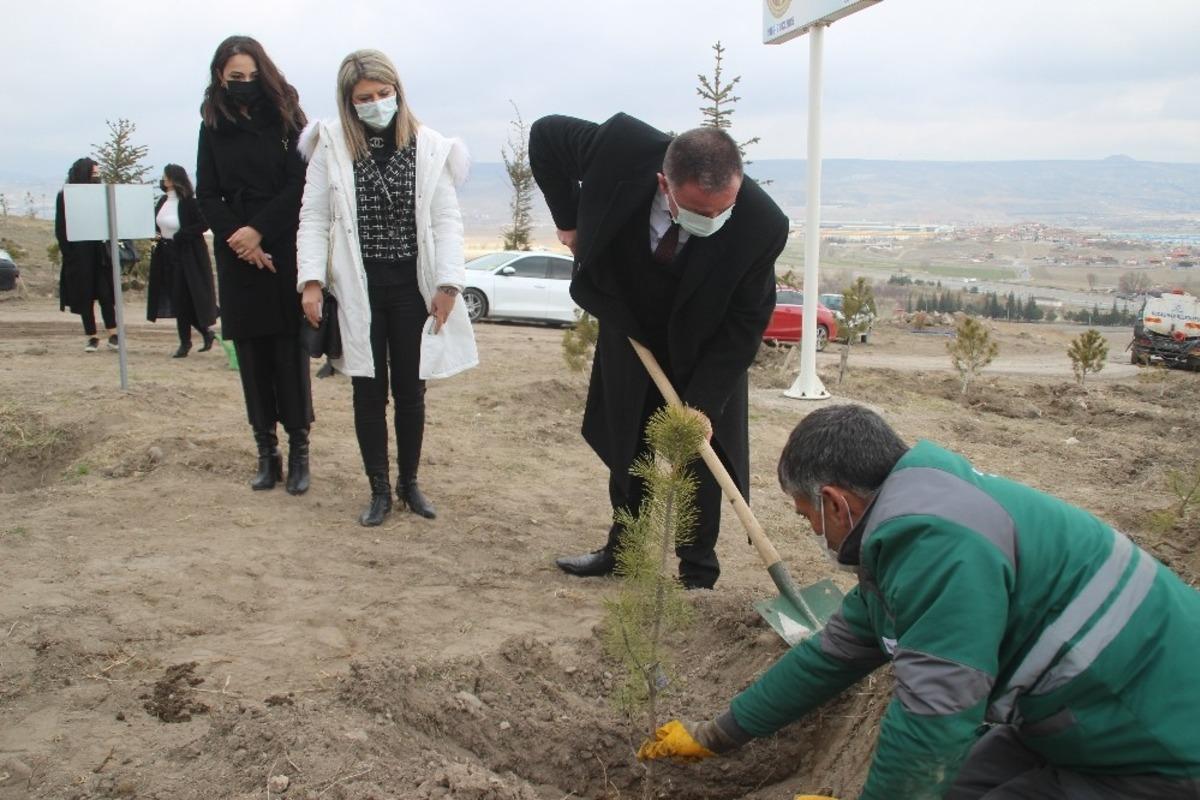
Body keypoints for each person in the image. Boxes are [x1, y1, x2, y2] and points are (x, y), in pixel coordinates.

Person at [638, 404, 1200, 799]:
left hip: (1156, 745)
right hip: (1083, 713)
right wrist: (718, 735)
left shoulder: (940, 547)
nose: (809, 527)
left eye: (803, 514)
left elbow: (935, 716)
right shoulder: (916, 522)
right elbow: (830, 656)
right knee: (955, 787)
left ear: (835, 503)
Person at [528, 114, 787, 589]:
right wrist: (569, 221)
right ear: (664, 183)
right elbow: (545, 136)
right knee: (629, 439)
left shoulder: (761, 224)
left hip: (707, 341)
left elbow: (746, 322)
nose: (712, 222)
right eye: (696, 211)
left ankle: (697, 573)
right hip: (631, 322)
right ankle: (623, 551)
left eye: (721, 210)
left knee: (703, 454)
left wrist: (703, 404)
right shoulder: (621, 147)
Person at [297, 49, 476, 527]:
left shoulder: (428, 144)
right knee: (367, 391)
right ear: (347, 101)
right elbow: (313, 215)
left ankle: (409, 484)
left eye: (383, 93)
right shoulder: (330, 144)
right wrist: (311, 281)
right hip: (359, 287)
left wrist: (448, 284)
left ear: (398, 91)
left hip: (411, 288)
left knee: (412, 391)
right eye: (364, 97)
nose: (376, 103)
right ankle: (378, 489)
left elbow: (446, 219)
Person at [196, 35, 313, 494]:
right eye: (234, 78)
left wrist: (260, 231)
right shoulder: (211, 125)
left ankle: (300, 451)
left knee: (288, 353)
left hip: (281, 244)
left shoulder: (288, 119)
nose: (243, 84)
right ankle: (267, 453)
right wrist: (240, 239)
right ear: (220, 79)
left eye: (249, 76)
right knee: (251, 356)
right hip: (235, 251)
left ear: (262, 73)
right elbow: (206, 192)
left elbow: (299, 184)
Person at [147, 164, 218, 358]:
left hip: (187, 255)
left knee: (185, 298)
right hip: (165, 254)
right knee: (177, 299)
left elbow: (203, 224)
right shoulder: (162, 201)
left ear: (174, 179)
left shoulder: (189, 203)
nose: (163, 180)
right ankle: (204, 333)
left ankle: (185, 342)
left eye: (165, 176)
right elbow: (155, 225)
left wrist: (182, 235)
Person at [55, 158, 117, 353]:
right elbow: (61, 227)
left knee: (106, 294)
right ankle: (91, 336)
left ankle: (114, 333)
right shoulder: (65, 196)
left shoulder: (101, 194)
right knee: (84, 296)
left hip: (99, 252)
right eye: (94, 173)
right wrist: (69, 254)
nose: (97, 176)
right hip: (78, 254)